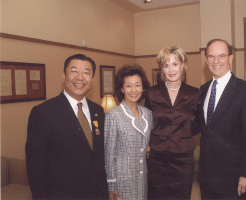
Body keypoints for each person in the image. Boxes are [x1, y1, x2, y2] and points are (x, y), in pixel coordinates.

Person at [26, 54, 109, 199]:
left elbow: (98, 157)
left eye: (86, 72)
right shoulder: (43, 113)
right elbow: (35, 166)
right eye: (74, 71)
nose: (80, 77)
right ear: (64, 75)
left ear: (93, 79)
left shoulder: (98, 111)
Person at [193, 39, 246, 199]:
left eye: (221, 56)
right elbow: (199, 125)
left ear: (230, 58)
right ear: (206, 60)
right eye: (211, 56)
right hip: (207, 175)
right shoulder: (202, 91)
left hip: (234, 176)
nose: (216, 61)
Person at [145, 46, 200, 200]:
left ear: (182, 65)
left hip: (183, 157)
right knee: (157, 195)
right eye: (166, 65)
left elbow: (200, 122)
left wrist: (184, 132)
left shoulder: (194, 93)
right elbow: (148, 121)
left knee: (181, 195)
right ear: (162, 68)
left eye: (174, 64)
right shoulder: (153, 93)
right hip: (157, 156)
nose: (171, 69)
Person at [104, 64, 153, 200]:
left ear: (143, 88)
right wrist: (111, 185)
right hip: (122, 180)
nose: (133, 90)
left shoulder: (148, 114)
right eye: (128, 86)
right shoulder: (113, 115)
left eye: (137, 85)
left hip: (142, 177)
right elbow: (109, 154)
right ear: (122, 88)